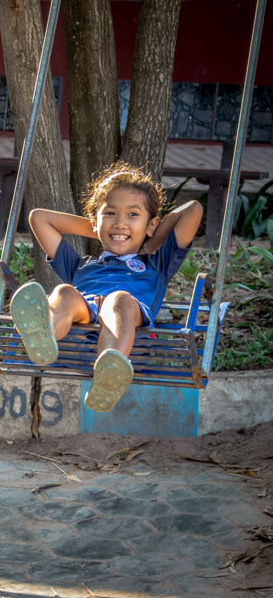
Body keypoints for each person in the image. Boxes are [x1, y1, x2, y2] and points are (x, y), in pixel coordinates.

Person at [11, 161, 203, 413]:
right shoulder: (80, 266)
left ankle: (109, 371)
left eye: (133, 215)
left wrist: (151, 240)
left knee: (118, 300)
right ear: (95, 220)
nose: (121, 223)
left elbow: (193, 209)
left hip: (129, 342)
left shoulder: (156, 263)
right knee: (64, 293)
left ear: (151, 224)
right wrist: (100, 229)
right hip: (75, 342)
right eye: (110, 213)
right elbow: (39, 218)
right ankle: (43, 333)